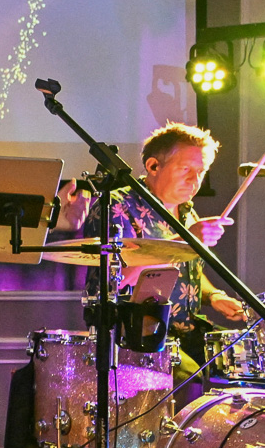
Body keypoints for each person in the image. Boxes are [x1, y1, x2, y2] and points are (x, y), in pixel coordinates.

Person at [80, 122, 245, 361]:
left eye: (201, 172)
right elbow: (116, 282)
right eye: (185, 169)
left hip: (187, 333)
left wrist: (214, 296)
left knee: (248, 365)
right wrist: (184, 239)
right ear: (153, 166)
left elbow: (187, 273)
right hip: (138, 338)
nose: (194, 180)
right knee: (196, 378)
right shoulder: (116, 207)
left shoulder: (188, 213)